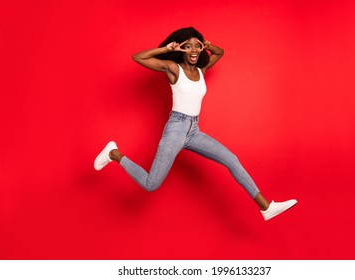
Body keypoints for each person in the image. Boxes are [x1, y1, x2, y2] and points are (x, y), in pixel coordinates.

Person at [94, 27, 297, 221]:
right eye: (188, 46)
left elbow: (220, 52)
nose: (193, 50)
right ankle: (114, 153)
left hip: (194, 131)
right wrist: (167, 49)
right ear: (182, 48)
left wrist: (207, 44)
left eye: (197, 46)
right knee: (151, 184)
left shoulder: (202, 69)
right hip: (176, 128)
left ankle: (265, 207)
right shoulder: (173, 68)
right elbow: (138, 57)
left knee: (231, 159)